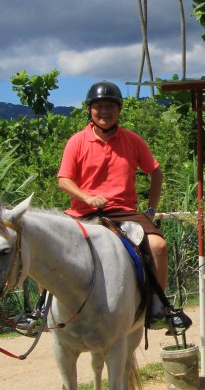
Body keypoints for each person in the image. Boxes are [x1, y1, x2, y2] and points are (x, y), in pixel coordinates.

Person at [57, 81, 190, 333]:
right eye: (98, 106)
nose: (104, 111)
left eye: (110, 106)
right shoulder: (77, 141)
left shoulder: (132, 140)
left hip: (123, 211)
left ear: (119, 109)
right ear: (89, 110)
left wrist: (151, 208)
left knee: (159, 246)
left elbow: (156, 173)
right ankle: (41, 310)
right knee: (47, 245)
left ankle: (158, 307)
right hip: (82, 211)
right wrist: (86, 197)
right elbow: (64, 180)